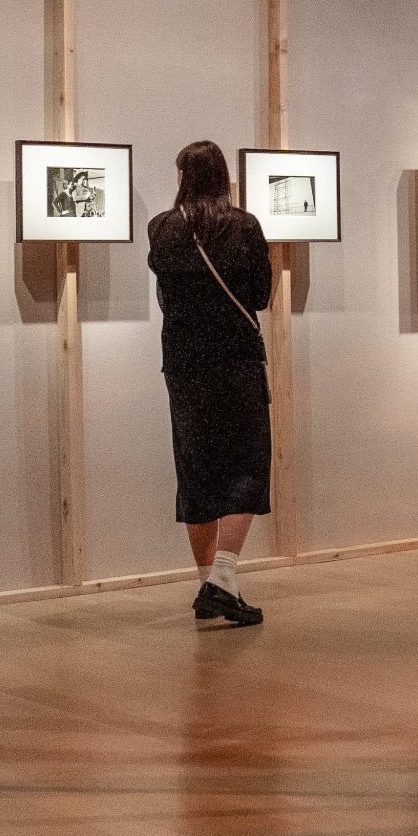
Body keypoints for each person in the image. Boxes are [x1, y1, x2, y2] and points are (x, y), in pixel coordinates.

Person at [147, 140, 275, 627]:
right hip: (237, 361)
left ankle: (210, 586)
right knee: (246, 466)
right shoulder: (244, 227)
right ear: (224, 178)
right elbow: (260, 296)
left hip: (182, 366)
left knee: (196, 467)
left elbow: (167, 297)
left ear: (183, 176)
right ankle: (222, 579)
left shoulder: (162, 228)